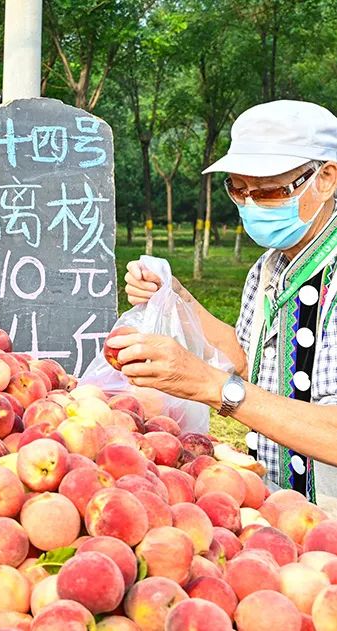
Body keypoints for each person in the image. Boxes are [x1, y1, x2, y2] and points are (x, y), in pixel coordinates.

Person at [110, 100, 337, 502]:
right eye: (238, 189)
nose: (250, 205)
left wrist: (213, 387)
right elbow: (250, 360)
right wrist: (177, 296)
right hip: (284, 510)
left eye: (268, 192)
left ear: (326, 179)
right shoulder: (269, 269)